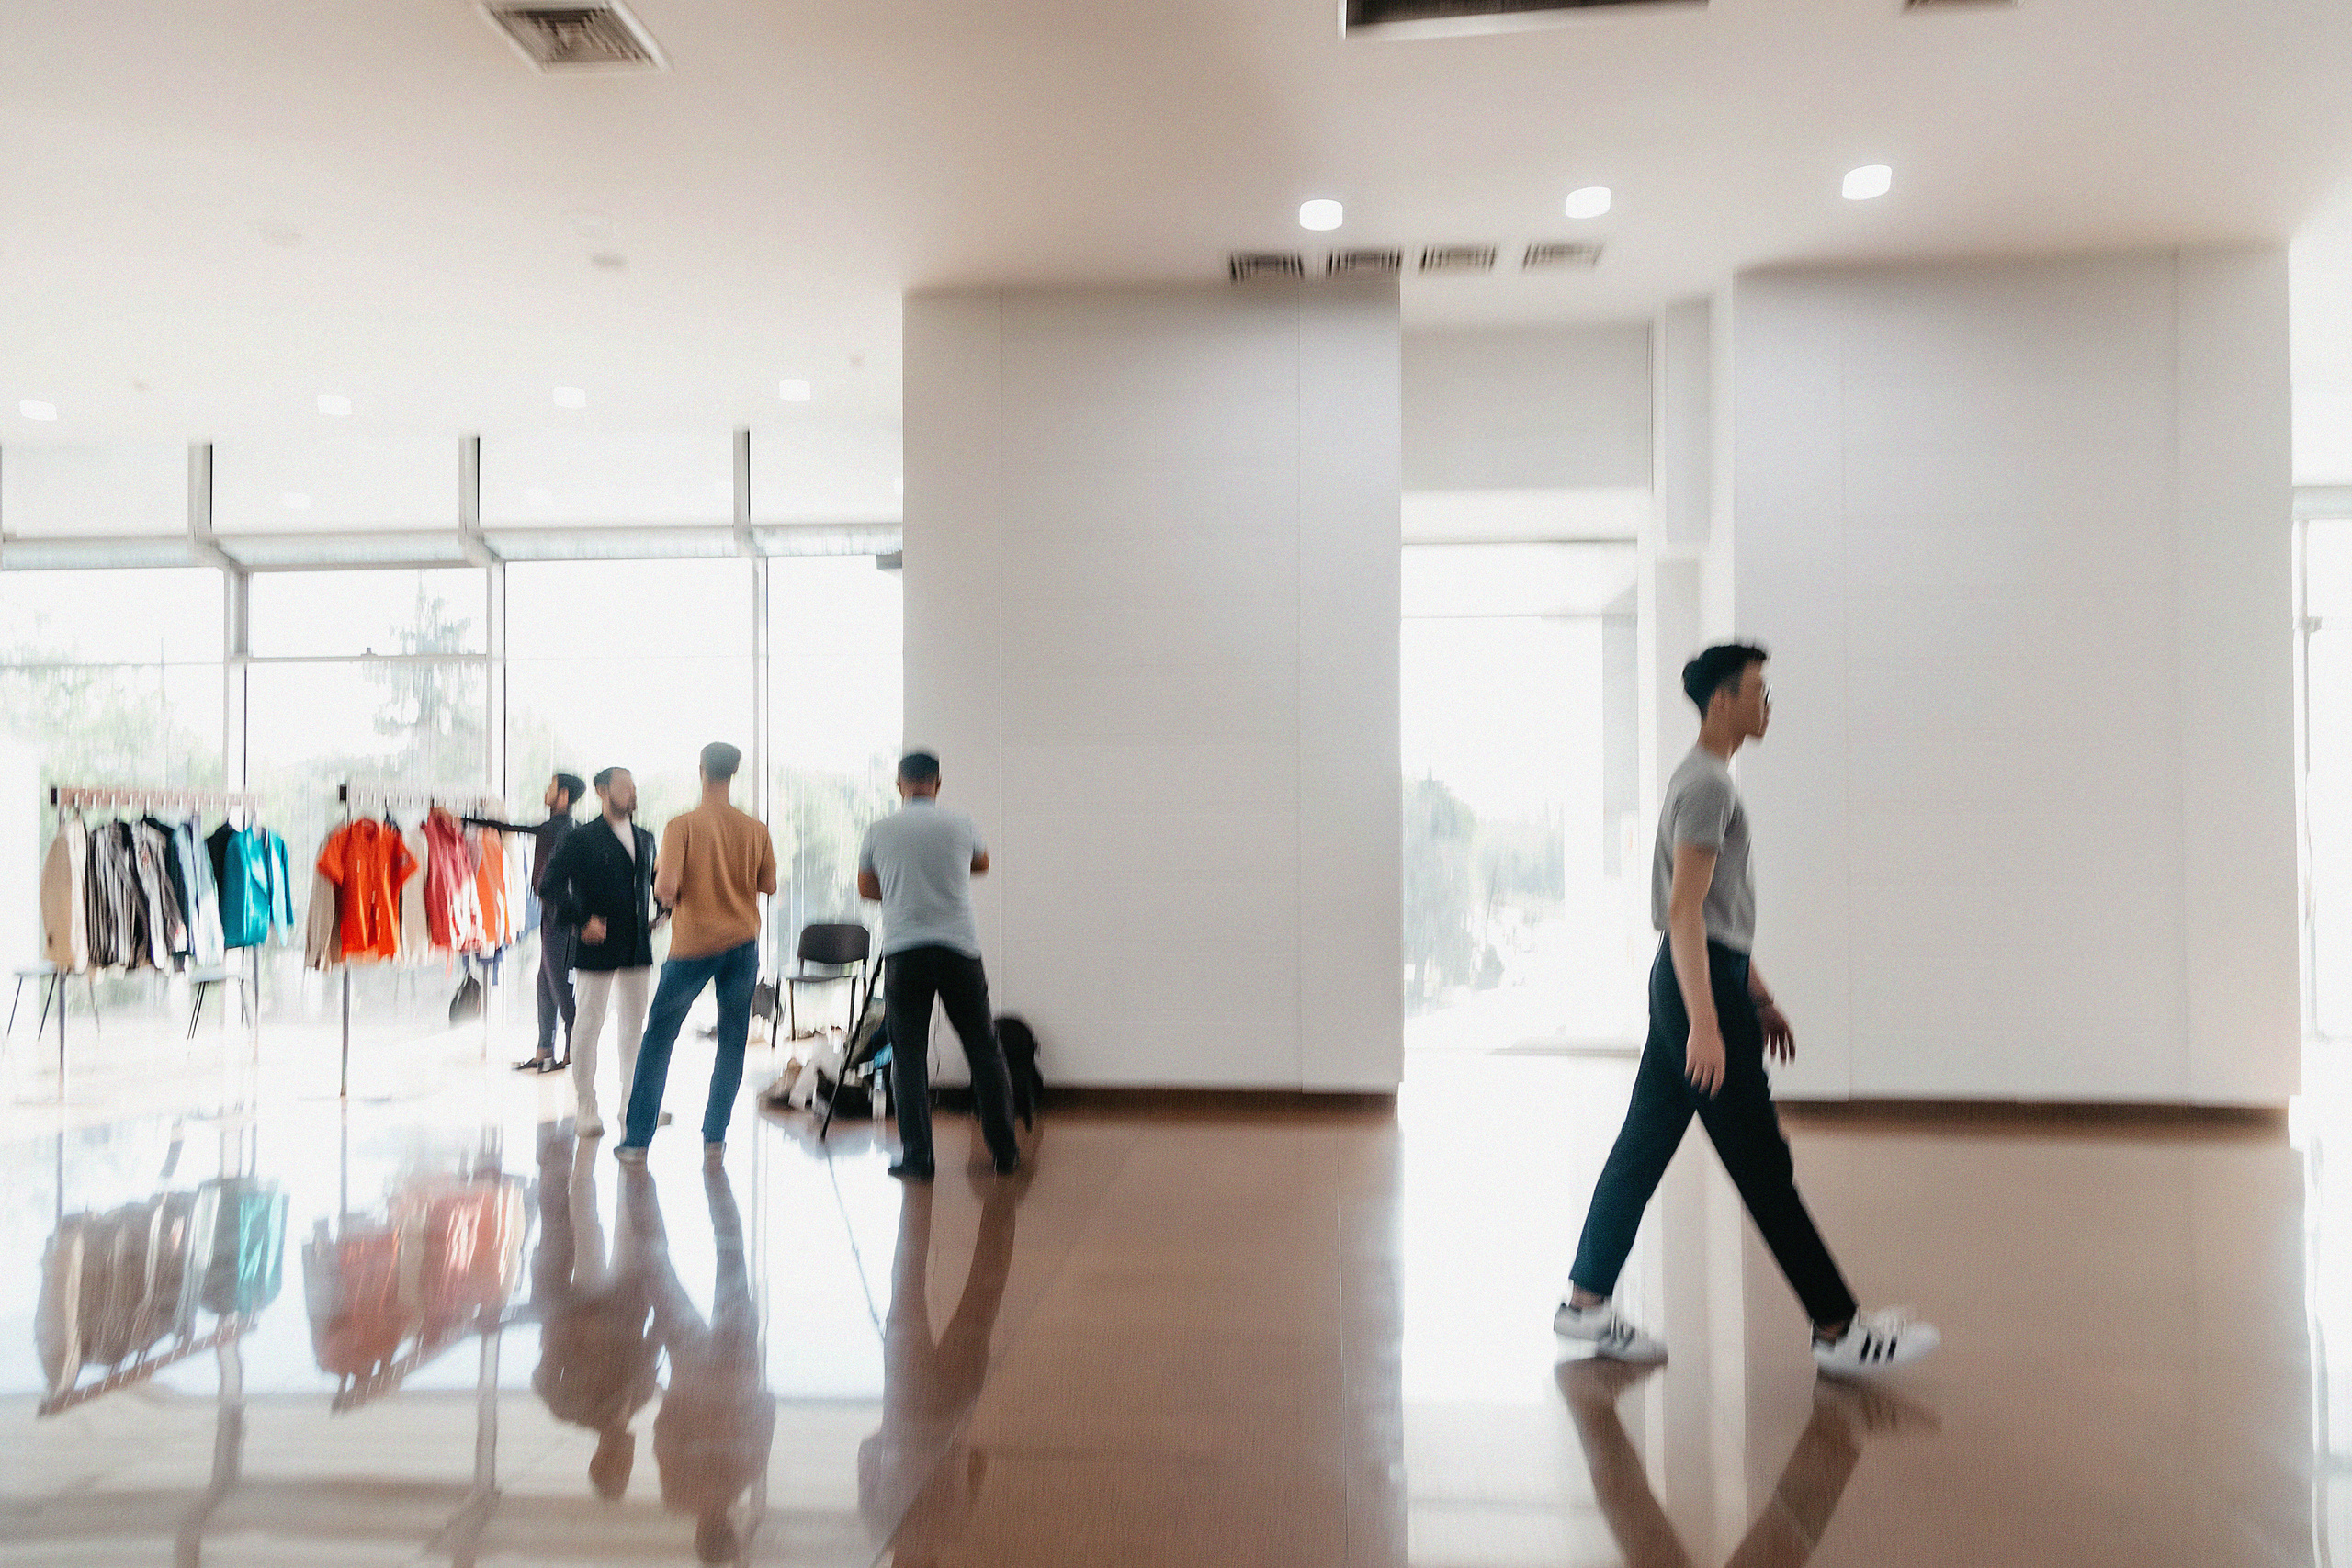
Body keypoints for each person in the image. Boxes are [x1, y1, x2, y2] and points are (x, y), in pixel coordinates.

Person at [1554, 644, 1939, 1377]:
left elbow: (1712, 917)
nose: (1769, 704)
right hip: (1698, 986)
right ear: (1722, 700)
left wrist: (1754, 994)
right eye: (1759, 690)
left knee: (1641, 1148)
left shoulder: (1702, 780)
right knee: (1763, 1163)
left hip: (1700, 979)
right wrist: (1708, 1017)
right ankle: (1839, 1328)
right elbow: (1684, 911)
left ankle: (1586, 1305)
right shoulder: (1708, 789)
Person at [857, 751, 1022, 1182]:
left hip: (904, 951)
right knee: (984, 1049)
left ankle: (918, 1159)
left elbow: (866, 888)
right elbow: (982, 864)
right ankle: (1005, 1152)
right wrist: (944, 871)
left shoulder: (878, 830)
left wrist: (901, 887)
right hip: (958, 950)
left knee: (907, 1055)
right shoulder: (961, 823)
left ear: (899, 784)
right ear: (937, 783)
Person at [616, 743, 777, 1164]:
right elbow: (769, 885)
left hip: (692, 948)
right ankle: (715, 1137)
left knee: (658, 1039)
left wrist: (664, 890)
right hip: (742, 945)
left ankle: (636, 1141)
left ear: (701, 770)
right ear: (735, 773)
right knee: (733, 1041)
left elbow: (666, 889)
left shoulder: (680, 826)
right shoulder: (755, 829)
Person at [539, 767, 661, 1137]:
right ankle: (586, 1104)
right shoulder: (581, 838)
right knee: (589, 1023)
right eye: (626, 787)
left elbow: (652, 885)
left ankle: (631, 1103)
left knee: (634, 1027)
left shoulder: (646, 838)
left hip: (637, 944)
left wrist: (661, 912)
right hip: (597, 943)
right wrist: (581, 920)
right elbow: (548, 885)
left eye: (634, 786)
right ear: (602, 790)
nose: (632, 793)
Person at [468, 773, 586, 1074]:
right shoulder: (571, 828)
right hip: (560, 913)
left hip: (558, 914)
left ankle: (574, 1051)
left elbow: (509, 827)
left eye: (552, 786)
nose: (546, 791)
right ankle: (544, 1050)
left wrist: (462, 819)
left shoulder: (556, 827)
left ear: (563, 795)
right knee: (546, 981)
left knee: (558, 983)